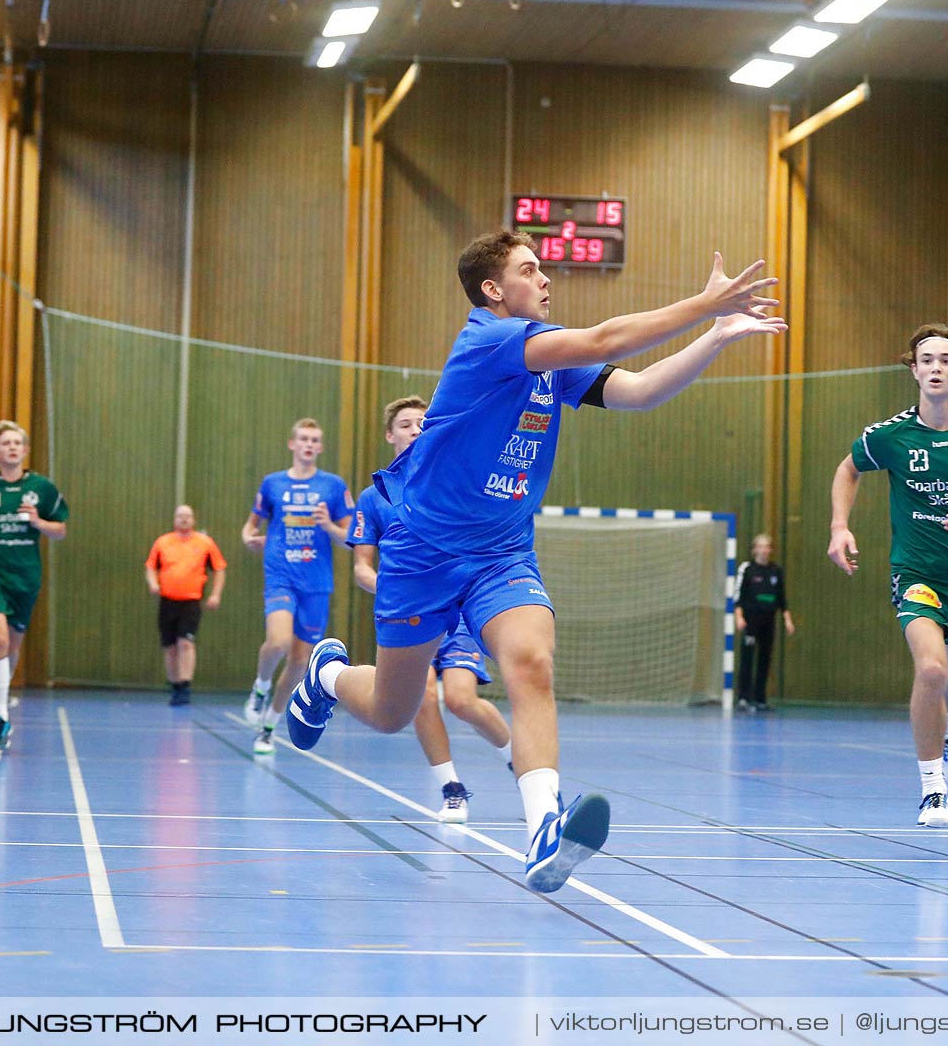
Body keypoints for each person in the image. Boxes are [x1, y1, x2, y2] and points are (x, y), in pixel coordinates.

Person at [284, 230, 782, 892]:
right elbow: (607, 340)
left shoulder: (548, 364)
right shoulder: (489, 342)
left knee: (533, 663)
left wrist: (715, 336)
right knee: (390, 711)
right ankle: (328, 674)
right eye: (530, 268)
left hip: (501, 551)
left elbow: (637, 390)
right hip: (423, 548)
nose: (546, 277)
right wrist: (701, 302)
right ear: (494, 289)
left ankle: (544, 829)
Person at [827, 325, 948, 828]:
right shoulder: (892, 435)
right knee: (932, 671)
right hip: (916, 573)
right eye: (926, 360)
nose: (935, 367)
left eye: (945, 360)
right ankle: (932, 787)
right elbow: (848, 468)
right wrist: (839, 526)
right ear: (913, 369)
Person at [349, 395, 513, 823]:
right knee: (421, 694)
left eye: (423, 422)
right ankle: (452, 789)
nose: (415, 428)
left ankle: (521, 763)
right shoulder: (375, 496)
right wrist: (398, 587)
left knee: (461, 699)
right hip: (411, 608)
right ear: (390, 434)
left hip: (456, 607)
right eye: (405, 423)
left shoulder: (452, 480)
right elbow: (362, 569)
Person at [240, 420, 353, 755]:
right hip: (281, 574)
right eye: (303, 438)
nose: (308, 444)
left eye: (315, 440)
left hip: (316, 582)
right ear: (292, 443)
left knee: (300, 660)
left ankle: (268, 727)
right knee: (279, 641)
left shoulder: (333, 487)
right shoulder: (273, 484)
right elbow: (250, 526)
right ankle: (260, 687)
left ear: (320, 447)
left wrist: (327, 524)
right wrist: (249, 539)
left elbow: (350, 540)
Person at [0, 420, 69, 750]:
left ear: (25, 450)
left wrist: (38, 522)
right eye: (5, 443)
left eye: (17, 443)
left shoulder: (42, 488)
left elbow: (60, 531)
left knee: (13, 646)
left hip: (26, 575)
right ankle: (2, 718)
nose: (12, 448)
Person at [145, 504, 227, 706]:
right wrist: (153, 583)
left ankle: (185, 686)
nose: (183, 519)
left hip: (191, 601)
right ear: (174, 519)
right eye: (180, 516)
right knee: (170, 647)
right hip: (167, 601)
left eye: (187, 516)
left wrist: (216, 594)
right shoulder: (162, 543)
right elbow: (150, 567)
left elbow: (219, 569)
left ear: (193, 520)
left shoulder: (205, 543)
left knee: (185, 643)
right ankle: (174, 685)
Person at [734, 534, 794, 711]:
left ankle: (760, 699)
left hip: (769, 621)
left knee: (765, 659)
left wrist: (787, 619)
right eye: (760, 546)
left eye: (766, 547)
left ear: (770, 550)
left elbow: (782, 599)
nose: (763, 550)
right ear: (754, 550)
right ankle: (743, 698)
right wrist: (739, 616)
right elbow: (739, 595)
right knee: (747, 659)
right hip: (751, 620)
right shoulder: (747, 569)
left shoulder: (776, 571)